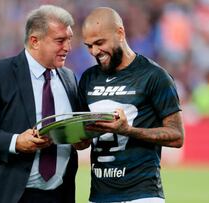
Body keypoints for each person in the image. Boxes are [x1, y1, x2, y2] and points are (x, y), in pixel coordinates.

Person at [0, 5, 79, 203]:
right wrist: (15, 142)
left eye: (69, 39)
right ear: (34, 41)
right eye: (60, 41)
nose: (67, 47)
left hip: (56, 195)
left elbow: (72, 131)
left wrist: (80, 137)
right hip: (4, 194)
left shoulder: (69, 78)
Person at [75, 7, 185, 203]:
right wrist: (72, 133)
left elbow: (177, 136)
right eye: (89, 46)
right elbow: (81, 142)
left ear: (120, 32)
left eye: (100, 43)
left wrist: (128, 130)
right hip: (99, 196)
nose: (94, 51)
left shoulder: (154, 76)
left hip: (142, 195)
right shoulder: (88, 78)